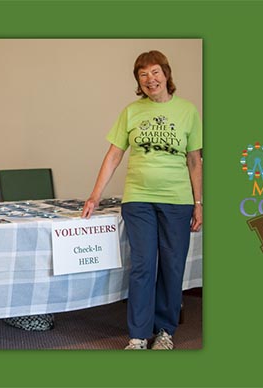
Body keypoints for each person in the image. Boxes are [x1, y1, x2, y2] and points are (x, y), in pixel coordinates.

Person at [81, 50, 202, 350]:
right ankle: (137, 335)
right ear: (138, 80)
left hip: (177, 200)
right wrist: (94, 196)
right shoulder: (131, 112)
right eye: (143, 74)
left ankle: (165, 332)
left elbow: (195, 160)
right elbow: (114, 155)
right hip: (139, 200)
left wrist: (199, 203)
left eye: (155, 72)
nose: (150, 79)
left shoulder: (188, 111)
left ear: (166, 74)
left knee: (172, 266)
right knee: (144, 265)